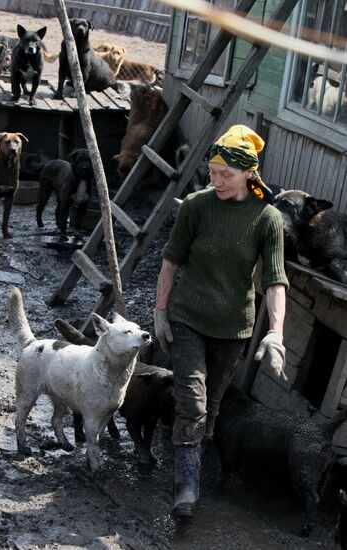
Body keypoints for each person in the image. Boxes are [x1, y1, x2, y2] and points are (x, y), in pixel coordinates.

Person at [153, 124, 289, 521]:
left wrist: (276, 333)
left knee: (211, 407)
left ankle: (191, 460)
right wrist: (161, 311)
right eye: (212, 172)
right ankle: (187, 489)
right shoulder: (196, 205)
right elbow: (170, 262)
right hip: (189, 317)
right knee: (193, 402)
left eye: (225, 174)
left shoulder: (267, 219)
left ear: (249, 172)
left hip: (233, 328)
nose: (215, 181)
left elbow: (276, 279)